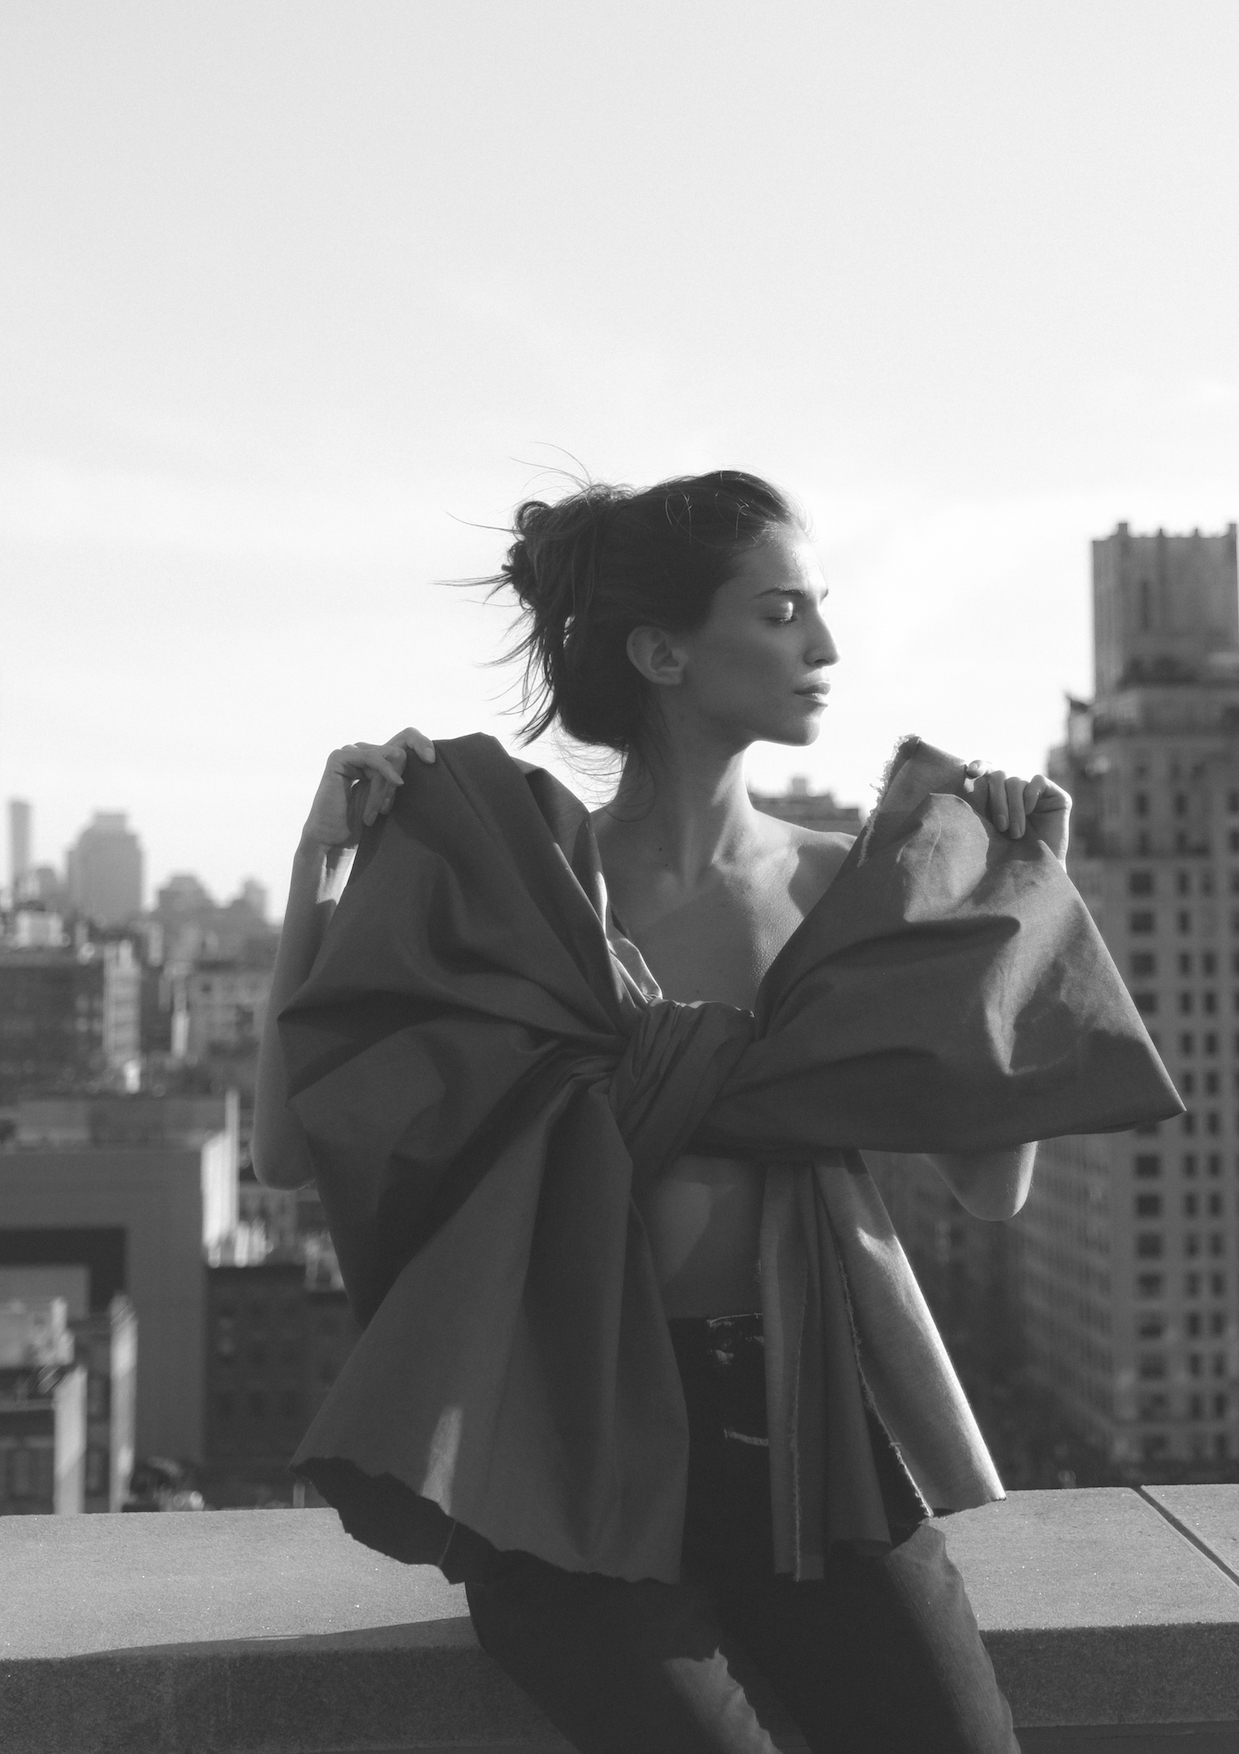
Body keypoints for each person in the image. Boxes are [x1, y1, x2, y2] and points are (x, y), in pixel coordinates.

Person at [252, 470, 1179, 1754]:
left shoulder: (839, 886)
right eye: (783, 611)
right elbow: (289, 1149)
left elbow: (989, 1186)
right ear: (664, 651)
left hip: (805, 1452)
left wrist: (1026, 914)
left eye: (821, 609)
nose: (826, 647)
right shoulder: (524, 889)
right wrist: (323, 864)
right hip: (564, 1458)